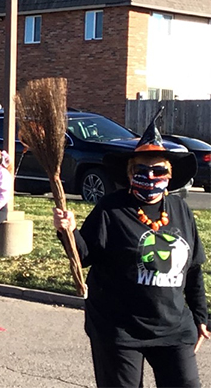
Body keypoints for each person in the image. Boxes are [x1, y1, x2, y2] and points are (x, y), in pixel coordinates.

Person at [53, 117, 208, 387]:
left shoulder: (181, 211)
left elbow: (193, 268)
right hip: (119, 330)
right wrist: (69, 231)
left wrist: (201, 317)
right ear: (129, 174)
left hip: (173, 328)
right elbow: (84, 256)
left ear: (169, 176)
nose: (149, 177)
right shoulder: (111, 209)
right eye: (140, 170)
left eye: (158, 171)